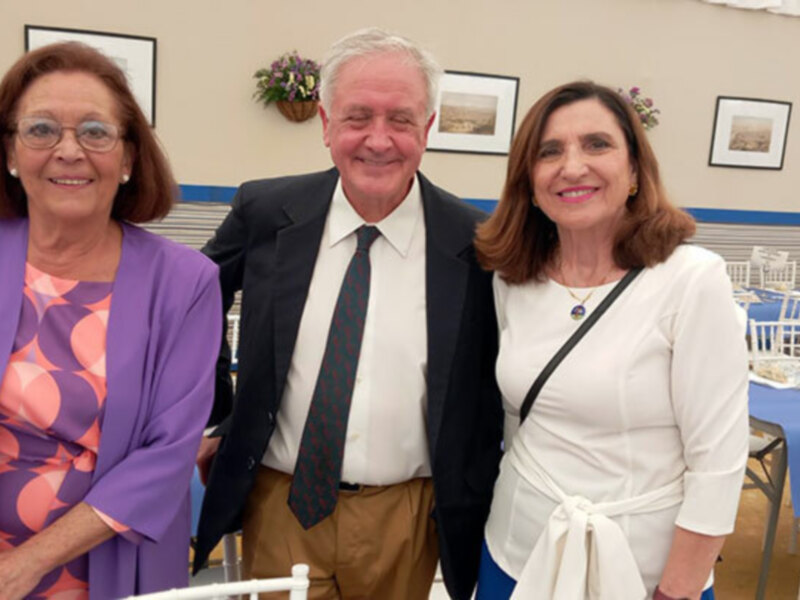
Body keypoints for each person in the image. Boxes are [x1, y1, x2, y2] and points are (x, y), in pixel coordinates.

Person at [193, 28, 503, 600]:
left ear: (428, 128)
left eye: (402, 120)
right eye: (358, 116)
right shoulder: (264, 211)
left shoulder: (477, 243)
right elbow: (190, 302)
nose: (379, 141)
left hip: (407, 515)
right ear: (326, 122)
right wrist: (218, 414)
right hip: (280, 501)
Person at [473, 80, 749, 600]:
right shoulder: (512, 279)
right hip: (517, 553)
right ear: (530, 183)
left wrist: (679, 589)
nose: (572, 166)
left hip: (644, 572)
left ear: (635, 172)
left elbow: (718, 461)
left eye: (597, 144)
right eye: (548, 152)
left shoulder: (691, 280)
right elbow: (516, 419)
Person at [0, 42, 222, 598]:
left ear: (127, 159)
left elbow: (167, 455)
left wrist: (26, 565)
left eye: (95, 132)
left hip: (111, 568)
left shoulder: (185, 282)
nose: (68, 150)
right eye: (41, 129)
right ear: (10, 152)